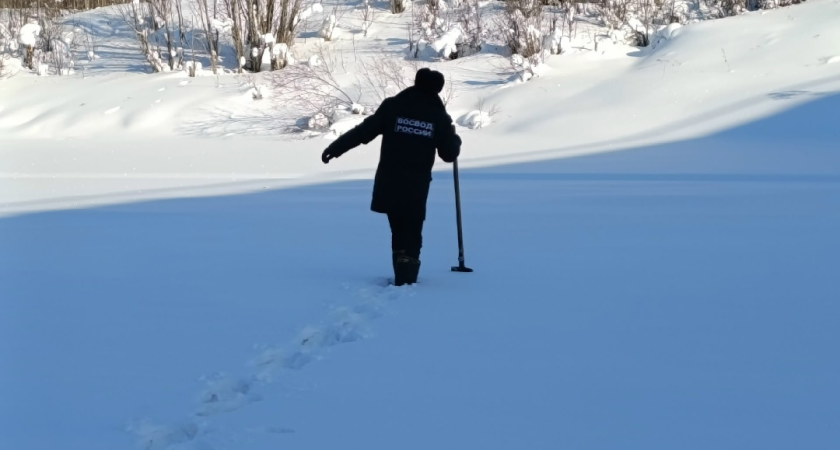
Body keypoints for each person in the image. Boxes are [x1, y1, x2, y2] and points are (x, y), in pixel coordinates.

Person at [321, 68, 462, 286]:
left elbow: (363, 132)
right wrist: (454, 140)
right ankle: (407, 277)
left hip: (390, 179)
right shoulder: (438, 116)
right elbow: (448, 154)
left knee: (397, 226)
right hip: (416, 183)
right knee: (413, 228)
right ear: (436, 89)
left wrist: (335, 148)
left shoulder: (393, 106)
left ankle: (401, 272)